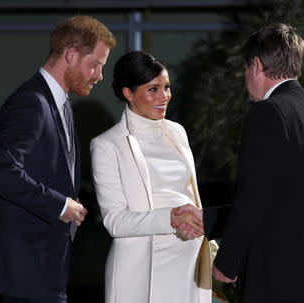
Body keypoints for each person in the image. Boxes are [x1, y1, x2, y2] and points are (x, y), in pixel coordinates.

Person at [175, 23, 304, 302]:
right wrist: (207, 219)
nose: (245, 79)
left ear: (256, 65)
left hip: (285, 271)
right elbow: (283, 198)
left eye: (245, 69)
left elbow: (254, 197)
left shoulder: (268, 113)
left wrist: (227, 262)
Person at [0, 15, 116, 303]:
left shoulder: (60, 105)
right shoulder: (31, 102)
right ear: (71, 55)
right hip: (26, 276)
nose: (99, 75)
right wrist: (59, 204)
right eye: (96, 64)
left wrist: (69, 204)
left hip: (45, 272)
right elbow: (2, 171)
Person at [90, 51, 214, 303]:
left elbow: (190, 196)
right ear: (128, 93)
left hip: (188, 265)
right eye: (153, 89)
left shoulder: (177, 132)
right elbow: (114, 221)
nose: (164, 97)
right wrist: (170, 217)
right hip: (144, 271)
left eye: (166, 88)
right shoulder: (106, 145)